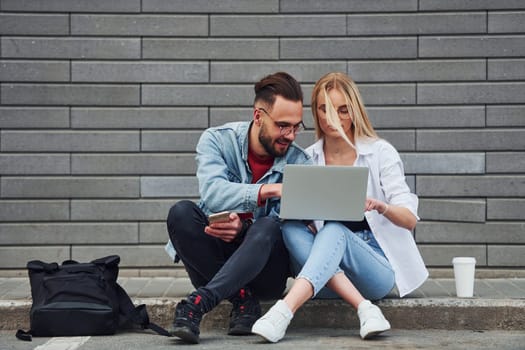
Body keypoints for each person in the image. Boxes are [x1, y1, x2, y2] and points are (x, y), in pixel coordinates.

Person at [251, 72, 428, 342]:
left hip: (374, 271)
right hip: (323, 278)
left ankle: (283, 312)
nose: (334, 118)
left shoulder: (380, 152)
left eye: (343, 110)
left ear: (354, 110)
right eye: (325, 109)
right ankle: (364, 309)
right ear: (316, 112)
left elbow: (409, 220)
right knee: (290, 226)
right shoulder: (306, 157)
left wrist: (382, 207)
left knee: (333, 229)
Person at [165, 72, 311, 344]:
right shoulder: (217, 140)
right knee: (181, 212)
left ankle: (199, 302)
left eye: (296, 126)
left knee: (269, 225)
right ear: (258, 117)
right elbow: (213, 192)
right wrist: (269, 189)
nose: (290, 135)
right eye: (282, 126)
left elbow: (289, 226)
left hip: (266, 272)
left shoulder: (301, 163)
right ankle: (242, 300)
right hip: (214, 261)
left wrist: (244, 227)